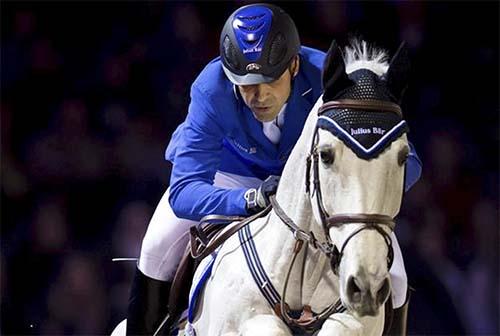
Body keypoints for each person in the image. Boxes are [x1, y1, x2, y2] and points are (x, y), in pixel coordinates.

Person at [126, 3, 421, 335]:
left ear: (294, 65)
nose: (259, 95)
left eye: (270, 79)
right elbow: (184, 192)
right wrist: (248, 199)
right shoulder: (211, 88)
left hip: (312, 180)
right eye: (246, 83)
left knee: (394, 275)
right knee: (155, 246)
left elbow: (404, 161)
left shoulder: (334, 81)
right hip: (228, 175)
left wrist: (358, 191)